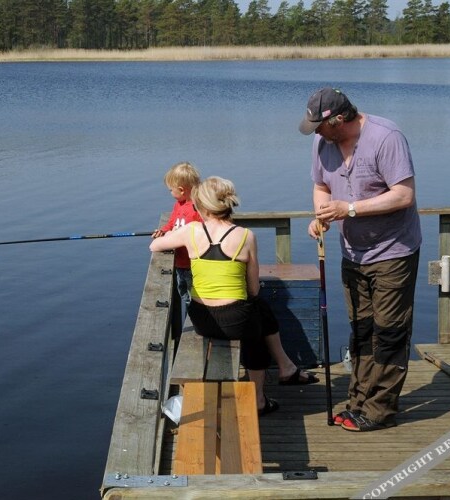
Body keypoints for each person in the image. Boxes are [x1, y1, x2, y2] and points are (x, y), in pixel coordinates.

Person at [299, 87, 422, 432]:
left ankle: (379, 410)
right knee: (362, 330)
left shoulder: (386, 137)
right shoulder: (322, 142)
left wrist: (349, 208)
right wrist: (322, 215)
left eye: (320, 126)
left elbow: (404, 195)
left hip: (394, 251)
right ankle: (358, 401)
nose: (316, 133)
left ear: (339, 119)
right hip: (352, 253)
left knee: (389, 331)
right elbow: (322, 187)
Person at [150, 176, 317, 416]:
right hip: (235, 321)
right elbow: (253, 289)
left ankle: (287, 368)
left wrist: (165, 235)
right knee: (255, 323)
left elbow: (155, 246)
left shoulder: (190, 231)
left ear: (201, 206)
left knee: (258, 313)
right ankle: (260, 399)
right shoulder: (245, 236)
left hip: (202, 318)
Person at [152, 162, 203, 305]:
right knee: (183, 292)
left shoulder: (198, 208)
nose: (170, 193)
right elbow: (171, 223)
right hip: (180, 262)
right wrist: (163, 231)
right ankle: (191, 312)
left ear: (181, 190)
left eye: (170, 190)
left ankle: (195, 314)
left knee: (195, 295)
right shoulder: (178, 205)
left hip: (193, 263)